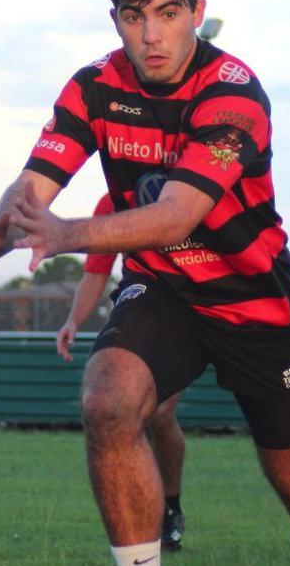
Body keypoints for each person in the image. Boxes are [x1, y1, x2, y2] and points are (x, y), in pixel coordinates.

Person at [0, 0, 290, 566]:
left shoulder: (233, 93)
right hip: (163, 290)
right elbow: (35, 183)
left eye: (168, 13)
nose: (151, 35)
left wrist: (66, 233)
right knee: (108, 400)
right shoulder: (95, 86)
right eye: (135, 17)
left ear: (196, 11)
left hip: (254, 301)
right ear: (116, 20)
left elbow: (175, 216)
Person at [55, 194, 187, 552]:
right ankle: (152, 524)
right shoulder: (111, 198)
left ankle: (171, 505)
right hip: (147, 307)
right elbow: (97, 270)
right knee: (139, 410)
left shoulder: (197, 177)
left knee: (161, 415)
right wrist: (74, 320)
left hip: (205, 304)